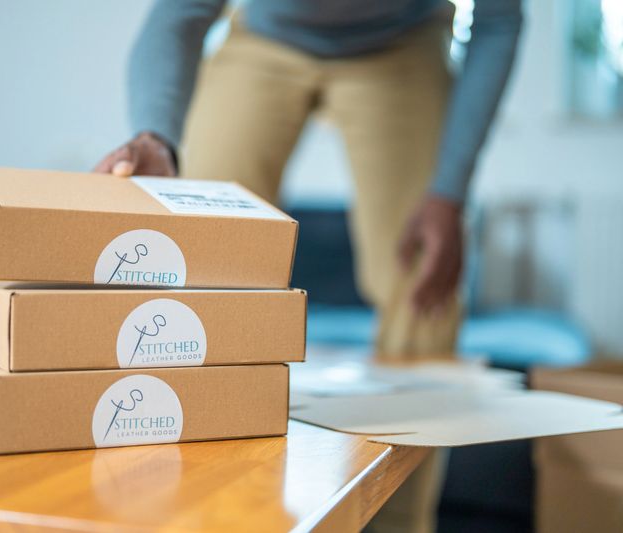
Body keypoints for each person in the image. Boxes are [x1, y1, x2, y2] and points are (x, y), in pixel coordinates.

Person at [96, 1, 522, 531]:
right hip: (264, 38)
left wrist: (449, 193)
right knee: (198, 254)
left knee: (423, 283)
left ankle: (399, 522)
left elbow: (500, 20)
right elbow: (180, 13)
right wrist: (155, 135)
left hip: (403, 46)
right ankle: (206, 509)